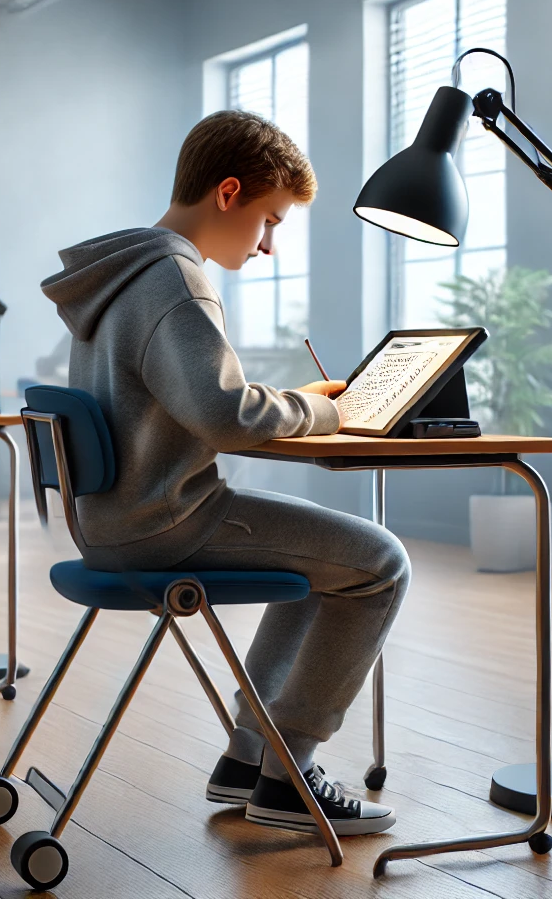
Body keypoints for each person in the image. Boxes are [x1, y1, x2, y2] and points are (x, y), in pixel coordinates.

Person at [40, 111, 410, 835]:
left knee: (322, 559)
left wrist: (295, 407)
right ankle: (290, 773)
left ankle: (251, 758)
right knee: (380, 562)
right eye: (270, 221)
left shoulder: (119, 274)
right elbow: (223, 413)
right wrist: (322, 410)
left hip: (114, 520)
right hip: (166, 522)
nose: (269, 244)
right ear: (230, 192)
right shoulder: (174, 277)